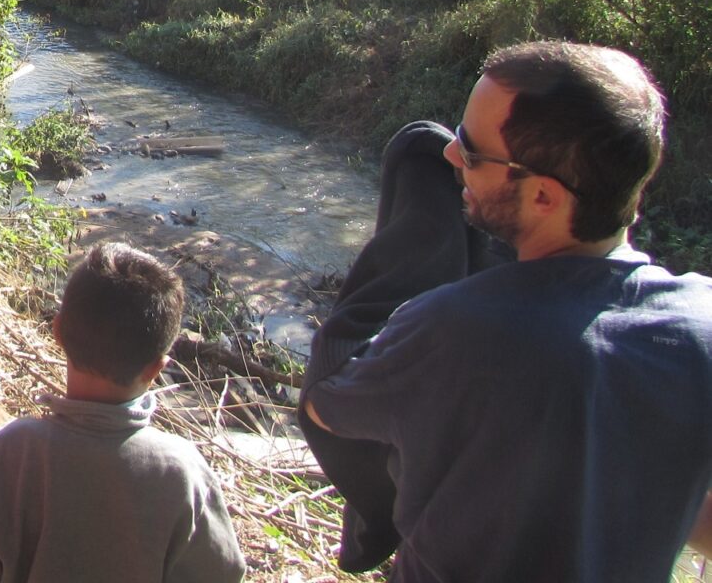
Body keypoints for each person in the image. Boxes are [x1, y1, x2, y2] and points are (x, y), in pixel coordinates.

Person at [300, 40, 712, 582]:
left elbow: (328, 402)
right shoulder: (701, 321)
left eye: (470, 153)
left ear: (543, 197)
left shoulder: (455, 327)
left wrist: (410, 251)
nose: (450, 156)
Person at [0, 241, 246, 583]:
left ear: (57, 332)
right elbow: (220, 573)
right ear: (156, 368)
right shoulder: (183, 472)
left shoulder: (4, 452)